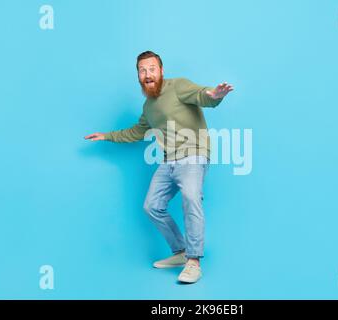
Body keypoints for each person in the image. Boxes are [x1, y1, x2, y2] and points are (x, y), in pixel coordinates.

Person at [84, 51, 233, 283]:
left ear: (161, 71)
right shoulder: (148, 106)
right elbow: (135, 132)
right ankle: (181, 252)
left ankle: (194, 261)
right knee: (152, 206)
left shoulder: (177, 86)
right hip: (169, 161)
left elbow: (202, 95)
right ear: (138, 77)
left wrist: (215, 94)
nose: (147, 74)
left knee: (191, 196)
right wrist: (106, 136)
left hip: (193, 154)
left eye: (152, 69)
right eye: (142, 71)